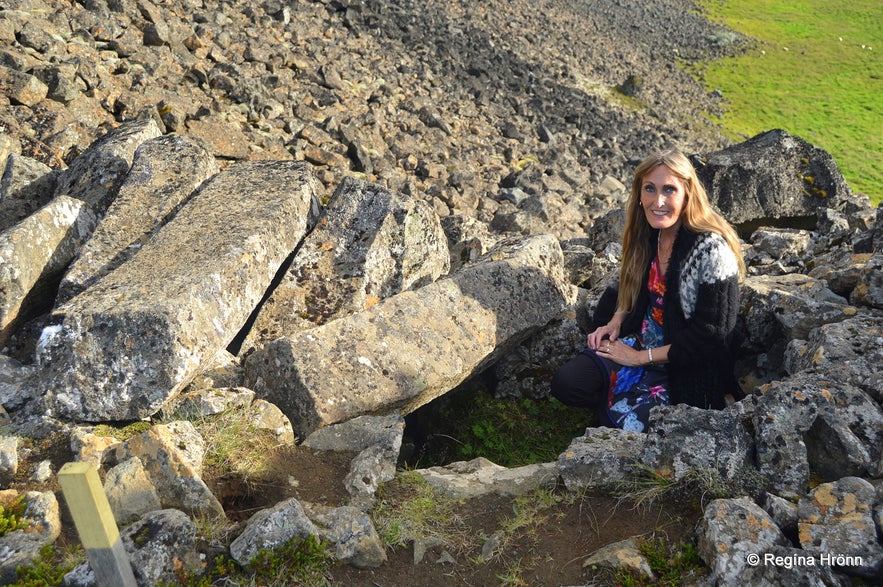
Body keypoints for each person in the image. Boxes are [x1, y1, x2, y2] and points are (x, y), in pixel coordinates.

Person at [551, 148, 746, 431]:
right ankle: (616, 402)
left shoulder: (711, 250)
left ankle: (622, 408)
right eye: (650, 189)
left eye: (669, 190)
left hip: (682, 363)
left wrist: (640, 358)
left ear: (688, 193)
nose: (659, 201)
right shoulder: (648, 233)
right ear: (639, 194)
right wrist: (615, 321)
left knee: (629, 438)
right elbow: (628, 286)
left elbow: (713, 335)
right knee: (567, 384)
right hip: (639, 342)